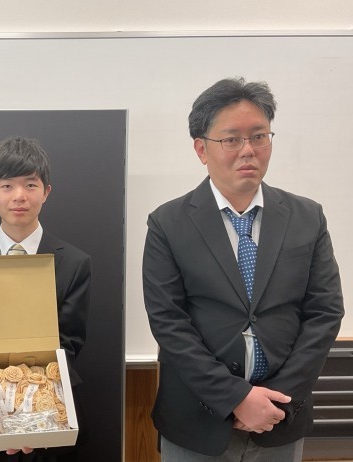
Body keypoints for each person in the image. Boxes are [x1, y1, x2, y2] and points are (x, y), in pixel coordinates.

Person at [142, 77, 344, 461]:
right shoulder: (168, 223)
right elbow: (168, 322)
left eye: (259, 136)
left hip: (280, 417)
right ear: (201, 149)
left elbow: (325, 312)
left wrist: (277, 399)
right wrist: (236, 398)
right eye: (231, 139)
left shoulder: (307, 217)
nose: (248, 150)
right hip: (197, 420)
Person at [0, 136, 91, 461]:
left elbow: (70, 343)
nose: (19, 196)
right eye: (7, 186)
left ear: (46, 192)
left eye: (30, 185)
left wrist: (32, 414)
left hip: (51, 410)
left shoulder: (74, 262)